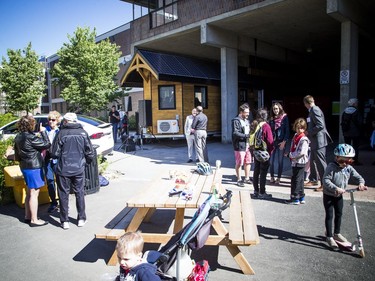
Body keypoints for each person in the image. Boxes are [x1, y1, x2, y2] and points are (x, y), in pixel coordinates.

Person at [51, 112, 95, 230]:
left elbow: (54, 153)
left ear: (65, 121)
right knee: (79, 192)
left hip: (63, 168)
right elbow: (90, 152)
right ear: (75, 121)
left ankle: (64, 221)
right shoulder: (83, 133)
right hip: (79, 167)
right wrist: (85, 163)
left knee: (63, 194)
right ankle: (81, 218)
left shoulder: (61, 133)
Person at [322, 143, 367, 249]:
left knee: (339, 213)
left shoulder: (348, 168)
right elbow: (325, 180)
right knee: (329, 215)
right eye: (343, 161)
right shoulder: (331, 167)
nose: (346, 164)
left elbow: (359, 177)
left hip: (339, 196)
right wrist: (335, 188)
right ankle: (329, 236)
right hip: (329, 195)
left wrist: (361, 183)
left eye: (349, 161)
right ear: (336, 157)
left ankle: (336, 234)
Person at [14, 115, 51, 227]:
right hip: (34, 167)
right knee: (34, 193)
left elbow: (17, 153)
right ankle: (34, 220)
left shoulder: (19, 136)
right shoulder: (30, 137)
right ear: (30, 124)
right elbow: (46, 144)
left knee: (29, 192)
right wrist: (44, 132)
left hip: (25, 166)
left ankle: (28, 216)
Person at [303, 95, 332, 192]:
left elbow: (320, 125)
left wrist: (309, 132)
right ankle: (313, 179)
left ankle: (325, 184)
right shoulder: (312, 110)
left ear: (306, 103)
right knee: (313, 161)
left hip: (319, 141)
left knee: (321, 163)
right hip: (315, 141)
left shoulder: (315, 110)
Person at [286, 118, 310, 205]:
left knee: (297, 180)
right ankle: (301, 196)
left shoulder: (304, 139)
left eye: (302, 128)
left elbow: (302, 153)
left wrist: (290, 155)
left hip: (300, 161)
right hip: (295, 161)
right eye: (298, 127)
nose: (299, 130)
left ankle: (295, 197)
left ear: (304, 129)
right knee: (298, 179)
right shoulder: (296, 136)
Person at [251, 108, 274, 199]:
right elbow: (270, 141)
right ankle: (262, 192)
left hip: (256, 151)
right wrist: (270, 151)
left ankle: (256, 191)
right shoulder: (266, 126)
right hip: (264, 152)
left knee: (256, 171)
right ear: (265, 116)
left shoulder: (255, 125)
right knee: (263, 172)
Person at [44, 110, 61, 213]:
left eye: (53, 120)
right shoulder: (45, 130)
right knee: (50, 181)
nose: (51, 122)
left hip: (58, 159)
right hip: (47, 160)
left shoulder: (60, 131)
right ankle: (53, 203)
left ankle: (63, 202)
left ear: (57, 120)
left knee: (60, 181)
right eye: (49, 120)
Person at [231, 103, 252, 187]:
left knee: (248, 162)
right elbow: (235, 133)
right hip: (239, 145)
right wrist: (246, 136)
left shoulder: (247, 121)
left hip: (247, 145)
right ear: (241, 112)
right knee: (239, 163)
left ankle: (247, 178)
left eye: (248, 112)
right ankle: (239, 179)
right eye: (246, 112)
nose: (248, 114)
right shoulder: (236, 121)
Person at [269, 102, 290, 184]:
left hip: (281, 141)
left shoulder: (284, 117)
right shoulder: (271, 119)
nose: (275, 110)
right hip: (273, 142)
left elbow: (287, 131)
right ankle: (272, 176)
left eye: (277, 108)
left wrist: (284, 142)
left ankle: (278, 177)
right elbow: (269, 131)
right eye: (274, 109)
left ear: (280, 109)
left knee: (280, 161)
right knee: (271, 161)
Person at [341, 98, 362, 165]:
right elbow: (360, 122)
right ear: (354, 104)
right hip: (355, 132)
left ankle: (347, 160)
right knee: (355, 146)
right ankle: (355, 160)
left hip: (346, 132)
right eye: (356, 103)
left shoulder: (344, 111)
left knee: (347, 146)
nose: (357, 104)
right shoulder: (356, 112)